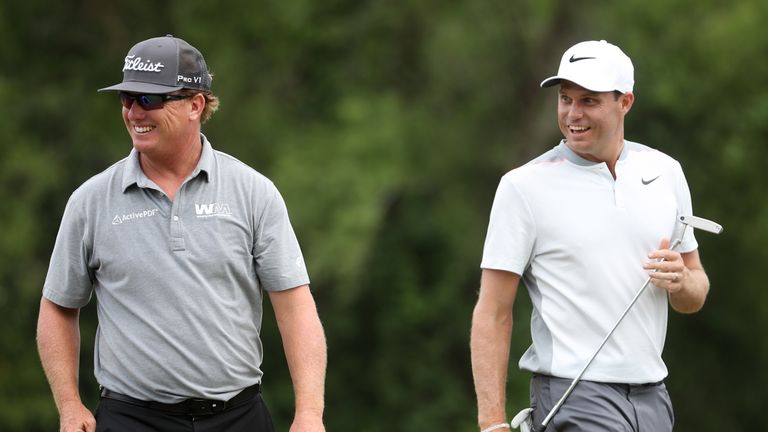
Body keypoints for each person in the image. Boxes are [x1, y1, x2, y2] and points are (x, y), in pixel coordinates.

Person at [36, 35, 326, 432]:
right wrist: (69, 405)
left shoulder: (253, 191)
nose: (135, 111)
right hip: (131, 419)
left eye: (150, 99)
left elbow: (295, 306)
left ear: (196, 104)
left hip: (238, 417)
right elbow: (57, 307)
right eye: (127, 98)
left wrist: (309, 413)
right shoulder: (90, 201)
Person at [470, 40, 711, 432]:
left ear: (625, 102)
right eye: (565, 99)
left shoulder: (666, 172)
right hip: (574, 396)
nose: (572, 114)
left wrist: (681, 282)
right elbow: (493, 312)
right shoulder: (523, 186)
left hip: (653, 399)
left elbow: (695, 291)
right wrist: (493, 423)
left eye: (588, 100)